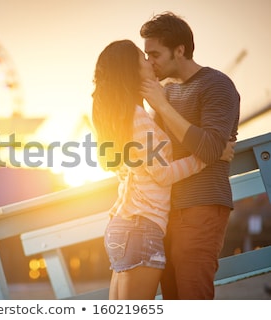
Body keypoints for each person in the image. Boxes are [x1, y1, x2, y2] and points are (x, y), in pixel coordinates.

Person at [92, 39, 210, 300]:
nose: (149, 61)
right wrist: (206, 157)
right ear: (131, 71)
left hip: (125, 225)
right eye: (142, 58)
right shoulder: (137, 118)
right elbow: (163, 174)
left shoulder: (123, 117)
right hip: (141, 227)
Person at [140, 12, 240, 299]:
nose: (149, 62)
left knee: (193, 296)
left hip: (202, 206)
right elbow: (154, 154)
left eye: (154, 54)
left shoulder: (217, 85)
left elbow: (208, 148)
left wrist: (160, 104)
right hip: (165, 211)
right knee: (172, 299)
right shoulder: (166, 92)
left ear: (179, 50)